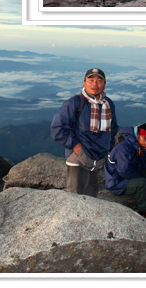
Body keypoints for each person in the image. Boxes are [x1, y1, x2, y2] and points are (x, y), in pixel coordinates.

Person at [50, 68, 118, 197]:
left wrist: (107, 146)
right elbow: (57, 127)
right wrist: (76, 146)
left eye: (99, 81)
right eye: (91, 80)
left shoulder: (108, 104)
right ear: (84, 83)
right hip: (78, 157)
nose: (95, 84)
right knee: (74, 196)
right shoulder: (75, 103)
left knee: (91, 196)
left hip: (98, 157)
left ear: (104, 84)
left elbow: (113, 127)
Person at [105, 124, 146, 218]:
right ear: (138, 135)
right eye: (145, 138)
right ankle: (143, 211)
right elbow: (124, 171)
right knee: (143, 183)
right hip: (117, 183)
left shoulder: (137, 145)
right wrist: (140, 178)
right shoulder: (124, 147)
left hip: (127, 176)